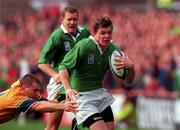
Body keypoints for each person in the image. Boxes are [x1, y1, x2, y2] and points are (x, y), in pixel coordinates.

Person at [58, 15, 135, 130]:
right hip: (82, 97)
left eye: (109, 33)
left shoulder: (113, 50)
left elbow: (128, 81)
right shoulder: (84, 46)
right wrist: (68, 88)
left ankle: (77, 126)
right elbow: (63, 67)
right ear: (94, 33)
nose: (107, 36)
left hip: (99, 94)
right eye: (103, 33)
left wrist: (131, 67)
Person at [38, 5, 90, 130]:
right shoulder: (57, 36)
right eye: (69, 19)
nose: (72, 22)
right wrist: (55, 75)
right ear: (62, 19)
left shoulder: (85, 33)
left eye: (75, 19)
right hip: (60, 83)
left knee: (86, 121)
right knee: (52, 126)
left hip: (79, 82)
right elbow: (42, 62)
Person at [0, 74, 77, 124]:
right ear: (24, 87)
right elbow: (38, 106)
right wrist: (63, 106)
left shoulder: (20, 87)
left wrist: (52, 102)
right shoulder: (16, 98)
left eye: (39, 91)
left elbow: (48, 107)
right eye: (35, 90)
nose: (38, 94)